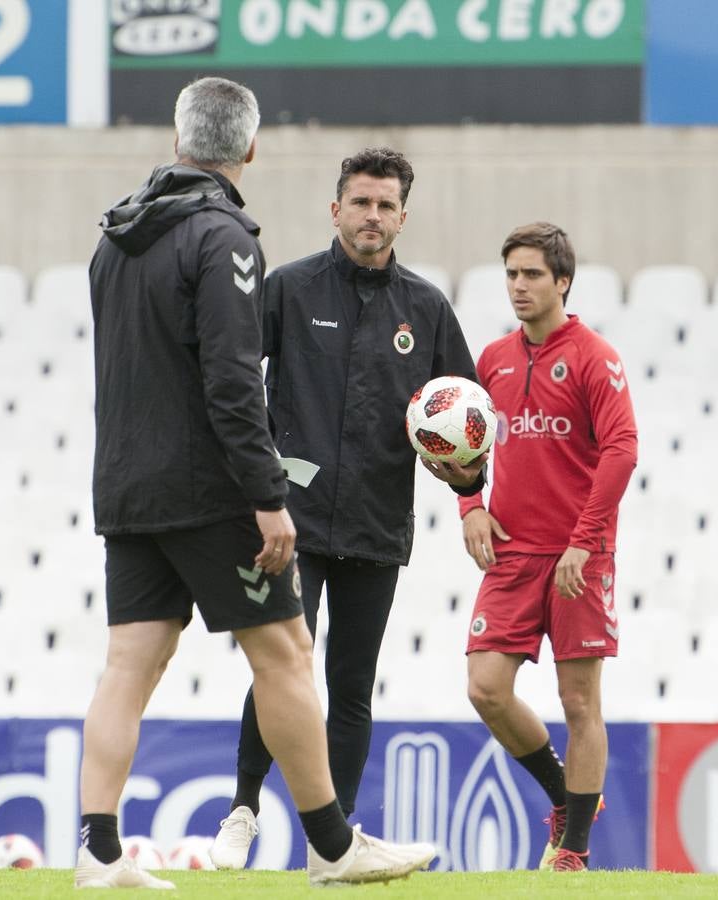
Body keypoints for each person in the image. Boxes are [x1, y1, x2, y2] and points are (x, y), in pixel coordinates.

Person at [77, 78, 434, 889]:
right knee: (286, 653)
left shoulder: (114, 238)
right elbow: (235, 385)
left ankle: (97, 853)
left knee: (127, 665)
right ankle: (335, 847)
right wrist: (270, 499)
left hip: (126, 487)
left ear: (178, 142)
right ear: (250, 148)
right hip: (207, 489)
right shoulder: (226, 237)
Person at [210, 147, 485, 868]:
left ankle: (334, 841)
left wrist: (468, 490)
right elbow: (234, 380)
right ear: (336, 209)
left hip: (375, 521)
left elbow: (465, 419)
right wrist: (253, 483)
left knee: (351, 686)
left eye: (385, 205)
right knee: (281, 667)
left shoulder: (425, 308)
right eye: (360, 203)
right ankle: (242, 807)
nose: (372, 216)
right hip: (287, 521)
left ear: (403, 216)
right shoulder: (289, 288)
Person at [455, 223, 637, 872]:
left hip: (578, 559)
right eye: (511, 274)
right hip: (510, 554)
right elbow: (464, 444)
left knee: (580, 702)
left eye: (532, 274)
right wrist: (471, 506)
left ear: (562, 281)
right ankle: (562, 795)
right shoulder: (493, 360)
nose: (519, 286)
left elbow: (622, 452)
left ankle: (576, 852)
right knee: (485, 688)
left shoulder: (594, 357)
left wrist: (584, 544)